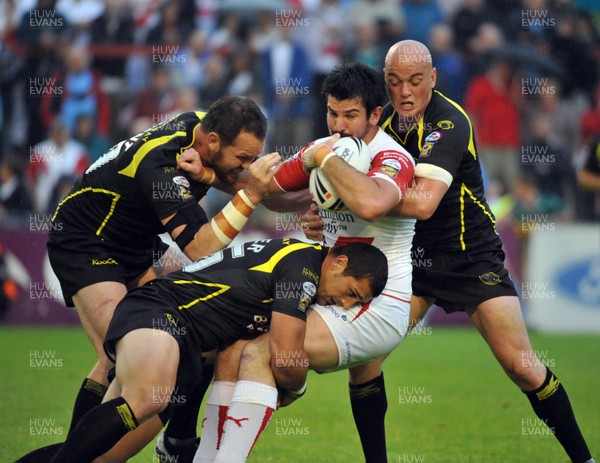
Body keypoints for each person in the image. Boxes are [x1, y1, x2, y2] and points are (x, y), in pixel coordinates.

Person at [16, 96, 281, 463]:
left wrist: (221, 179)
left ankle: (169, 444)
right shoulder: (160, 164)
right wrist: (250, 193)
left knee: (175, 349)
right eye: (243, 159)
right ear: (215, 142)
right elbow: (202, 249)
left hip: (133, 243)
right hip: (86, 239)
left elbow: (242, 181)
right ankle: (86, 456)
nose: (248, 168)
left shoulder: (203, 130)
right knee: (134, 366)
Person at [377, 40, 594, 463]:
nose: (404, 92)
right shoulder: (381, 122)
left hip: (470, 258)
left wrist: (359, 200)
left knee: (522, 366)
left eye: (415, 81)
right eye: (394, 82)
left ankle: (584, 460)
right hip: (412, 262)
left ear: (433, 79)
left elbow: (422, 202)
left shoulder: (450, 120)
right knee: (365, 362)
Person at [193, 62, 416, 463]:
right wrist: (211, 177)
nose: (339, 125)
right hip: (327, 286)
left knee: (262, 352)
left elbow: (370, 202)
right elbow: (269, 192)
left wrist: (324, 161)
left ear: (375, 115)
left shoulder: (392, 158)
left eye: (351, 115)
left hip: (375, 303)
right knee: (231, 348)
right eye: (333, 113)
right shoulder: (324, 146)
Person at [48, 237, 389, 462]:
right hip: (159, 311)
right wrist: (297, 388)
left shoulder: (299, 264)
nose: (344, 305)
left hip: (180, 340)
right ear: (338, 263)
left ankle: (179, 446)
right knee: (148, 397)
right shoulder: (303, 268)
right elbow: (285, 355)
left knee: (103, 455)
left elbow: (239, 347)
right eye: (352, 293)